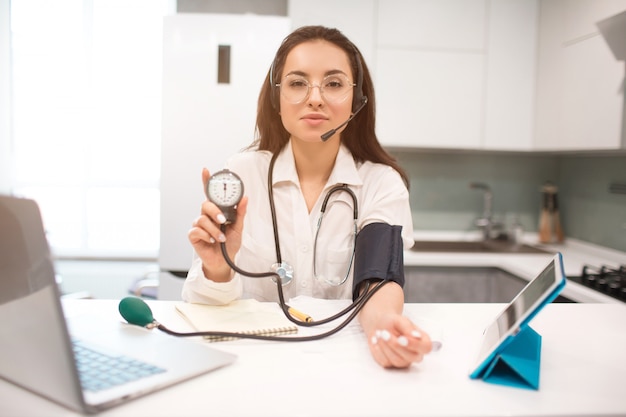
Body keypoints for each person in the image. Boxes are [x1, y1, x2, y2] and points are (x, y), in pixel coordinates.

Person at [183, 25, 434, 369]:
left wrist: (383, 325)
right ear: (277, 98)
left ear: (356, 99)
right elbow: (206, 306)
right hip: (256, 365)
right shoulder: (243, 174)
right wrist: (218, 266)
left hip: (343, 365)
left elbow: (377, 280)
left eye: (333, 83)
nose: (315, 97)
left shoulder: (380, 183)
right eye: (298, 83)